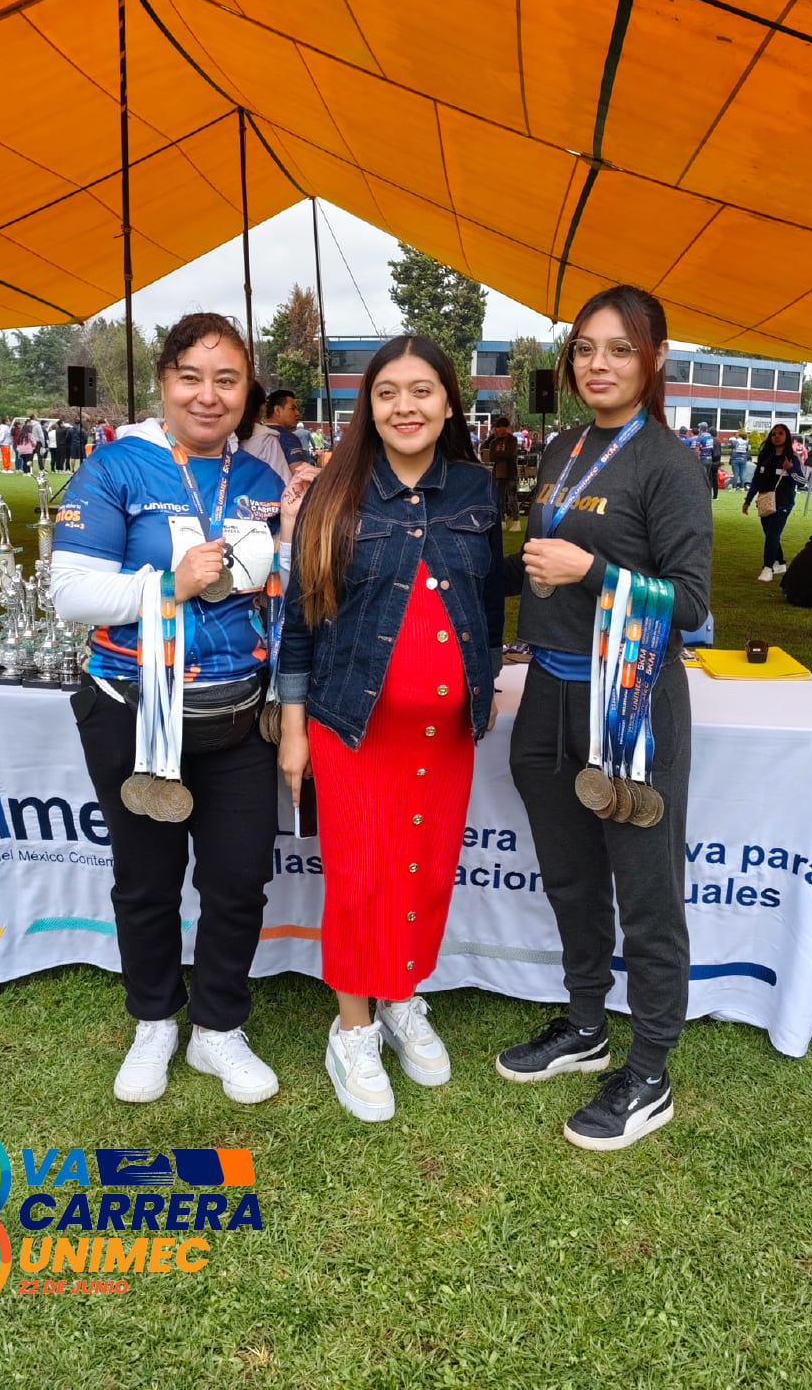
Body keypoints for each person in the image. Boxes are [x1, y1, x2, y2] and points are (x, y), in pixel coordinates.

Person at [50, 311, 305, 1108]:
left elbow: (278, 593)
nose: (208, 395)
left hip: (238, 717)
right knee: (147, 882)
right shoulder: (117, 467)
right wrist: (170, 585)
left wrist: (293, 533)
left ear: (247, 392)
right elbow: (70, 594)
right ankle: (155, 1020)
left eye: (227, 380)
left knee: (239, 881)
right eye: (191, 377)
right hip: (134, 712)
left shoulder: (258, 480)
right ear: (164, 382)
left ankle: (218, 1028)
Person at [494, 286, 711, 1152]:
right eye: (585, 347)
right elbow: (540, 561)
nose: (598, 364)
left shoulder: (669, 464)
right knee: (570, 878)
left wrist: (591, 571)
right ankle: (586, 1024)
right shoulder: (564, 445)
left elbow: (690, 604)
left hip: (629, 701)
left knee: (647, 894)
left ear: (654, 360)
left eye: (620, 349)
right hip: (547, 694)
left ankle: (650, 1069)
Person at [278, 336, 504, 1124]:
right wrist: (294, 729)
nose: (405, 407)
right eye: (387, 393)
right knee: (362, 877)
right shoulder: (332, 491)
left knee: (424, 872)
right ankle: (353, 1029)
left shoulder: (475, 487)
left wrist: (484, 686)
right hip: (352, 727)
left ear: (448, 402)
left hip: (445, 736)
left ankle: (401, 995)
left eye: (422, 391)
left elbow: (490, 603)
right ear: (367, 407)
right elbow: (300, 621)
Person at [742, 424, 803, 581]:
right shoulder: (765, 457)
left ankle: (767, 568)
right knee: (770, 534)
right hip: (765, 501)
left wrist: (790, 469)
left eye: (780, 433)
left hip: (783, 503)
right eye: (774, 434)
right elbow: (756, 480)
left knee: (772, 535)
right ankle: (780, 562)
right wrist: (748, 500)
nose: (776, 436)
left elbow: (802, 482)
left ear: (787, 437)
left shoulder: (792, 458)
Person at [481, 414, 522, 530]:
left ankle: (516, 520)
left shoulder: (512, 439)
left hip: (510, 472)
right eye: (498, 427)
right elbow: (491, 457)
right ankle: (501, 520)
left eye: (501, 427)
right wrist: (502, 454)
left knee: (512, 498)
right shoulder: (493, 442)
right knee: (499, 499)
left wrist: (500, 454)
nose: (499, 429)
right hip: (498, 474)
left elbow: (510, 453)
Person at [265, 389, 313, 471]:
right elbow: (299, 474)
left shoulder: (254, 436)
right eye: (292, 408)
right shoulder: (289, 439)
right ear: (277, 410)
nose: (297, 413)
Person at [693, 422, 721, 501]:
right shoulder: (710, 437)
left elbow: (697, 450)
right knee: (708, 478)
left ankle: (702, 495)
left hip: (703, 459)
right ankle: (708, 494)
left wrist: (696, 458)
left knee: (702, 478)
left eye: (699, 428)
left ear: (701, 429)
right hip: (709, 460)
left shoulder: (700, 437)